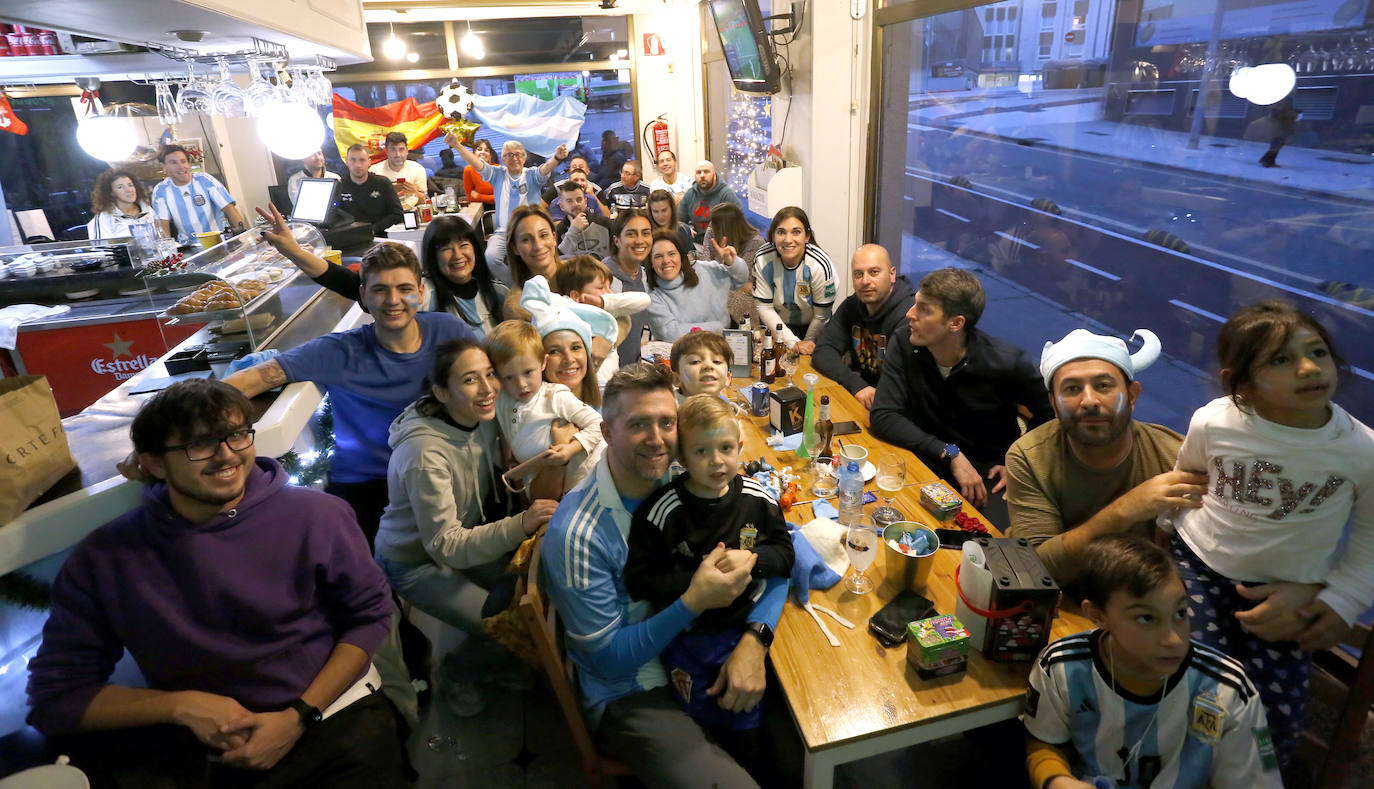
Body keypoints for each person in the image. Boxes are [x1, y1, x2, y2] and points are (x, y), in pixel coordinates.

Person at [27, 379, 405, 786]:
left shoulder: (319, 515)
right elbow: (55, 697)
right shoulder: (105, 558)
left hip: (328, 714)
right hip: (210, 748)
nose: (227, 455)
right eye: (200, 443)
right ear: (152, 463)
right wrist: (182, 706)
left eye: (238, 435)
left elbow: (369, 617)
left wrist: (297, 716)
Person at [540, 363, 784, 788]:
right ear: (607, 431)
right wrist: (694, 600)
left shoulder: (687, 473)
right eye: (638, 424)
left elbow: (778, 553)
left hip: (708, 644)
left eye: (666, 422)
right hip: (633, 689)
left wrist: (755, 639)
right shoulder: (577, 534)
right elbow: (606, 660)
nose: (657, 440)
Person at [1161, 300, 1374, 766]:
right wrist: (1162, 535)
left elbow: (1371, 536)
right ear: (1242, 382)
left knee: (1272, 720)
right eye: (1280, 359)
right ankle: (1179, 767)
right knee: (1196, 686)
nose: (1308, 367)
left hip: (1281, 590)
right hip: (1199, 566)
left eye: (1317, 352)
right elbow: (1188, 479)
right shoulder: (1214, 420)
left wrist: (1342, 600)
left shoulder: (1360, 449)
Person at [222, 239, 472, 546]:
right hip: (367, 487)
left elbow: (488, 388)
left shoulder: (450, 332)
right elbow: (254, 378)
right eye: (380, 290)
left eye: (404, 288)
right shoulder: (338, 351)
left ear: (421, 292)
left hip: (443, 470)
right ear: (364, 295)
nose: (393, 300)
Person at [373, 339, 558, 717]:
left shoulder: (480, 418)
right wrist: (520, 523)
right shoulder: (424, 454)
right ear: (441, 392)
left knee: (533, 593)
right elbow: (445, 545)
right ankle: (457, 673)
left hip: (462, 539)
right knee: (502, 620)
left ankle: (495, 660)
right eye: (470, 380)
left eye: (490, 374)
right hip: (415, 562)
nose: (488, 388)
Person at [1022, 535, 1282, 789]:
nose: (1174, 639)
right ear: (1097, 615)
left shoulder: (1228, 688)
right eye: (1146, 618)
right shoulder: (1060, 667)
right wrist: (1058, 780)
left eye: (1180, 613)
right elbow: (1044, 742)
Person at [624, 394, 792, 777]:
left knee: (747, 718)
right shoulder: (664, 510)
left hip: (742, 628)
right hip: (688, 636)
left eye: (726, 448)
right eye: (702, 451)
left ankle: (750, 766)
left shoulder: (758, 498)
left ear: (740, 447)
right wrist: (695, 582)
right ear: (681, 457)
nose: (717, 461)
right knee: (699, 718)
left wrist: (753, 561)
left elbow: (784, 551)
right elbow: (640, 579)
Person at [1004, 328, 1203, 587]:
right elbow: (1035, 568)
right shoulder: (1030, 456)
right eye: (1073, 388)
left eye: (1104, 386)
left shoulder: (1176, 457)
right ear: (1053, 403)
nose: (1089, 400)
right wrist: (1126, 510)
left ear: (1132, 395)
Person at [870, 268, 1052, 529]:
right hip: (924, 456)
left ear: (955, 323)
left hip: (987, 473)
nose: (910, 314)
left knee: (991, 547)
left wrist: (1018, 463)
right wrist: (950, 454)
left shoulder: (1007, 362)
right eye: (914, 303)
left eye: (923, 309)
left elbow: (1050, 417)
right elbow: (883, 415)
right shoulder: (905, 342)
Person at [487, 319, 605, 499]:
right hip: (556, 496)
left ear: (543, 362)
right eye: (509, 377)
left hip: (595, 481)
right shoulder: (502, 400)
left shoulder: (556, 396)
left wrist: (570, 449)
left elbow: (599, 424)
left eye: (528, 372)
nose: (521, 385)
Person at [811, 244, 915, 410]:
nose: (865, 281)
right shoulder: (852, 305)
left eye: (874, 272)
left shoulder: (909, 317)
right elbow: (823, 350)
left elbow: (905, 386)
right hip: (861, 398)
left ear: (892, 274)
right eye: (858, 274)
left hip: (894, 408)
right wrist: (857, 385)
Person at [444, 131, 565, 272]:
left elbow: (545, 169)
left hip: (531, 231)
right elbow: (476, 163)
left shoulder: (532, 174)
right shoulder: (497, 174)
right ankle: (516, 286)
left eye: (518, 154)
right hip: (504, 233)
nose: (514, 158)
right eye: (509, 155)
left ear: (524, 158)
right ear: (503, 159)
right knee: (490, 258)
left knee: (537, 260)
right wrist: (456, 145)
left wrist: (557, 157)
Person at [524, 274, 618, 404]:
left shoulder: (613, 399)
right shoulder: (527, 411)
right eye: (554, 351)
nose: (568, 359)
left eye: (575, 348)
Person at [752, 206, 836, 353]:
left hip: (814, 326)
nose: (788, 240)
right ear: (772, 235)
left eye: (796, 232)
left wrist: (806, 343)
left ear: (807, 236)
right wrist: (792, 342)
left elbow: (821, 316)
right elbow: (764, 308)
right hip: (777, 325)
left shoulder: (820, 266)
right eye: (781, 232)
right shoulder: (762, 259)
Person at [647, 229, 749, 340]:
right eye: (658, 256)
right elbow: (670, 333)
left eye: (672, 254)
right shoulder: (651, 295)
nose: (666, 260)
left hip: (722, 345)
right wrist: (718, 327)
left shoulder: (703, 270)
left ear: (681, 256)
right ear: (651, 262)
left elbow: (739, 280)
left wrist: (731, 262)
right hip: (681, 352)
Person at [553, 253, 651, 369]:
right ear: (576, 296)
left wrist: (603, 302)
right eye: (601, 288)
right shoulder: (565, 309)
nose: (609, 293)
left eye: (609, 287)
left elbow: (644, 300)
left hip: (609, 380)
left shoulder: (608, 310)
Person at [152, 144, 246, 245]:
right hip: (188, 247)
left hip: (220, 242)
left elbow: (229, 208)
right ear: (164, 167)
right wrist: (169, 250)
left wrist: (242, 236)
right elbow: (162, 224)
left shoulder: (205, 180)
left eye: (183, 161)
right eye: (174, 163)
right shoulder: (160, 190)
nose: (181, 166)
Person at [602, 208, 655, 366]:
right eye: (631, 234)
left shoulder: (642, 274)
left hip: (631, 370)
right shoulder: (604, 278)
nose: (640, 241)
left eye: (646, 233)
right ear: (617, 240)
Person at [703, 202, 763, 328]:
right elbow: (706, 266)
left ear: (725, 226)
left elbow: (743, 279)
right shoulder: (711, 232)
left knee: (730, 299)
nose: (710, 227)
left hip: (745, 294)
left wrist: (720, 272)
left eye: (714, 224)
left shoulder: (754, 242)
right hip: (719, 286)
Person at [502, 204, 563, 321]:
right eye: (526, 240)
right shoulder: (516, 306)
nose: (538, 246)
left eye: (543, 235)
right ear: (514, 248)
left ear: (554, 238)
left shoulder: (582, 271)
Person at [337, 143, 405, 238]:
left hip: (381, 238)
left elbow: (397, 214)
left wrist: (374, 229)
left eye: (362, 160)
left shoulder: (383, 183)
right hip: (351, 239)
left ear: (369, 162)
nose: (357, 165)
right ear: (346, 162)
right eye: (353, 160)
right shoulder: (339, 187)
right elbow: (335, 217)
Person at [678, 161, 742, 245]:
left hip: (721, 243)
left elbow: (739, 222)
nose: (702, 175)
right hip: (697, 243)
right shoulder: (690, 194)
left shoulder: (726, 194)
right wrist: (686, 229)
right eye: (698, 172)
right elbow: (679, 220)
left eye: (706, 171)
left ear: (714, 174)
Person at [87, 168, 156, 241]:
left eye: (130, 185)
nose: (129, 190)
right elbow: (101, 249)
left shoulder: (149, 210)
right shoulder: (104, 218)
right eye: (120, 187)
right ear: (111, 193)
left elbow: (161, 237)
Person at [554, 179, 614, 259]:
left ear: (585, 202)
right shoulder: (559, 230)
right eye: (569, 201)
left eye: (579, 199)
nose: (575, 204)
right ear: (562, 206)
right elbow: (556, 260)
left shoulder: (605, 223)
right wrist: (573, 231)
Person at [670, 329, 733, 400]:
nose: (708, 366)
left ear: (728, 378)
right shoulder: (670, 409)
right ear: (676, 379)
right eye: (695, 361)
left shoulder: (725, 404)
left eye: (716, 361)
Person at [369, 131, 429, 200]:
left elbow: (425, 200)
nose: (398, 155)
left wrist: (414, 193)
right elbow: (371, 197)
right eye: (393, 150)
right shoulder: (374, 171)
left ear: (407, 151)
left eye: (401, 149)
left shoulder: (417, 169)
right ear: (387, 151)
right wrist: (389, 191)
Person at [462, 139, 497, 206]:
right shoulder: (469, 170)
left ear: (490, 155)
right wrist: (491, 198)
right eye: (479, 149)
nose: (483, 152)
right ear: (474, 153)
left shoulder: (497, 169)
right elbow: (470, 198)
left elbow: (503, 197)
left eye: (486, 150)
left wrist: (478, 196)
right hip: (482, 210)